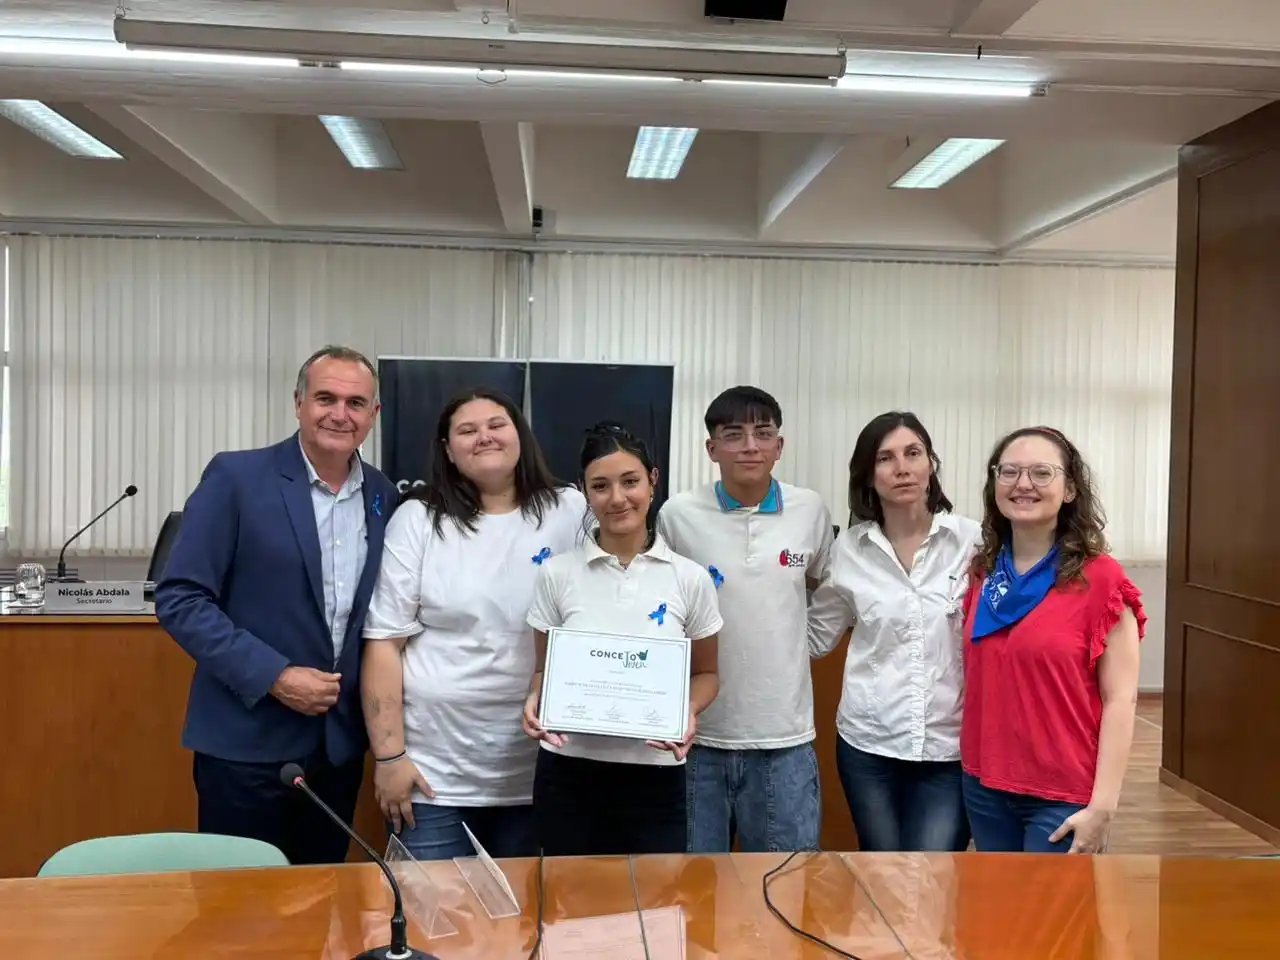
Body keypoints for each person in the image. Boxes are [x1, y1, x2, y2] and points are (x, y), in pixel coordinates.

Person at [156, 345, 399, 865]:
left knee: (319, 901)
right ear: (298, 403)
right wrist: (276, 676)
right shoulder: (237, 478)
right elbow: (180, 598)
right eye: (326, 398)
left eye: (356, 403)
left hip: (336, 752)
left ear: (374, 414)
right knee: (238, 906)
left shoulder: (382, 494)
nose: (340, 414)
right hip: (245, 746)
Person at [359, 387, 587, 860]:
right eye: (467, 430)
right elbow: (384, 643)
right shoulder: (418, 519)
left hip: (543, 770)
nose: (484, 437)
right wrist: (389, 757)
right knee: (427, 908)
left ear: (520, 435)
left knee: (529, 908)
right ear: (448, 450)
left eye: (496, 425)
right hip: (435, 776)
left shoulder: (570, 510)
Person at [521, 422, 722, 856]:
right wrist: (536, 699)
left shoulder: (690, 578)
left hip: (655, 774)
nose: (617, 498)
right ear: (584, 492)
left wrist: (686, 710)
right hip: (568, 772)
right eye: (600, 486)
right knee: (566, 897)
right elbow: (542, 670)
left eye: (630, 481)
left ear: (652, 480)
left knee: (654, 897)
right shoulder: (557, 574)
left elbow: (707, 674)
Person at [656, 386, 833, 854]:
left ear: (780, 445)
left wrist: (805, 643)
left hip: (785, 739)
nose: (750, 446)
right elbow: (663, 612)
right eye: (733, 434)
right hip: (696, 737)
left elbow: (829, 589)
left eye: (763, 433)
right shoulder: (678, 516)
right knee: (692, 887)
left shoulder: (809, 510)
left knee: (783, 885)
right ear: (711, 448)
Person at [961, 426, 1145, 854]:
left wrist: (1103, 807)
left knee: (1052, 901)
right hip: (985, 785)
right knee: (997, 899)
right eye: (1009, 471)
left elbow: (1121, 700)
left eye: (1041, 473)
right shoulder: (983, 572)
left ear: (1070, 490)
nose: (1023, 484)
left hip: (1061, 794)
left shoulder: (1101, 580)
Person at [808, 412, 980, 852]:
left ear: (930, 465)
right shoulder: (848, 551)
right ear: (869, 475)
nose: (902, 468)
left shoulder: (973, 543)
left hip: (950, 746)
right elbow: (815, 638)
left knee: (932, 874)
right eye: (885, 458)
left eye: (913, 453)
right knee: (881, 875)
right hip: (869, 745)